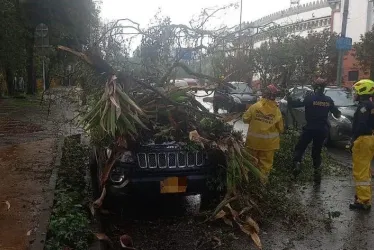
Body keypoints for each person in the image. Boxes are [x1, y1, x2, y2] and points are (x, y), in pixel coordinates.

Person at [289, 78, 341, 184]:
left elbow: (295, 104)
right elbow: (337, 114)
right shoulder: (328, 100)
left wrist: (290, 98)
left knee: (300, 147)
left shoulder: (309, 98)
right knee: (317, 151)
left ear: (315, 87)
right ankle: (317, 172)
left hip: (309, 129)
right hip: (322, 130)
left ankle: (297, 165)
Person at [243, 84, 284, 178]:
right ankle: (262, 184)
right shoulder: (277, 111)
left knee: (250, 163)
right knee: (265, 166)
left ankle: (249, 182)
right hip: (268, 145)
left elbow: (245, 119)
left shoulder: (255, 107)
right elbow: (281, 129)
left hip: (253, 143)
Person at [348, 79, 374, 210]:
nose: (354, 94)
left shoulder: (364, 107)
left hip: (363, 140)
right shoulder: (371, 105)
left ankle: (363, 201)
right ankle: (362, 197)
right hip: (369, 139)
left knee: (361, 173)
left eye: (356, 91)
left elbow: (361, 126)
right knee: (365, 170)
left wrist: (353, 140)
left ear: (363, 91)